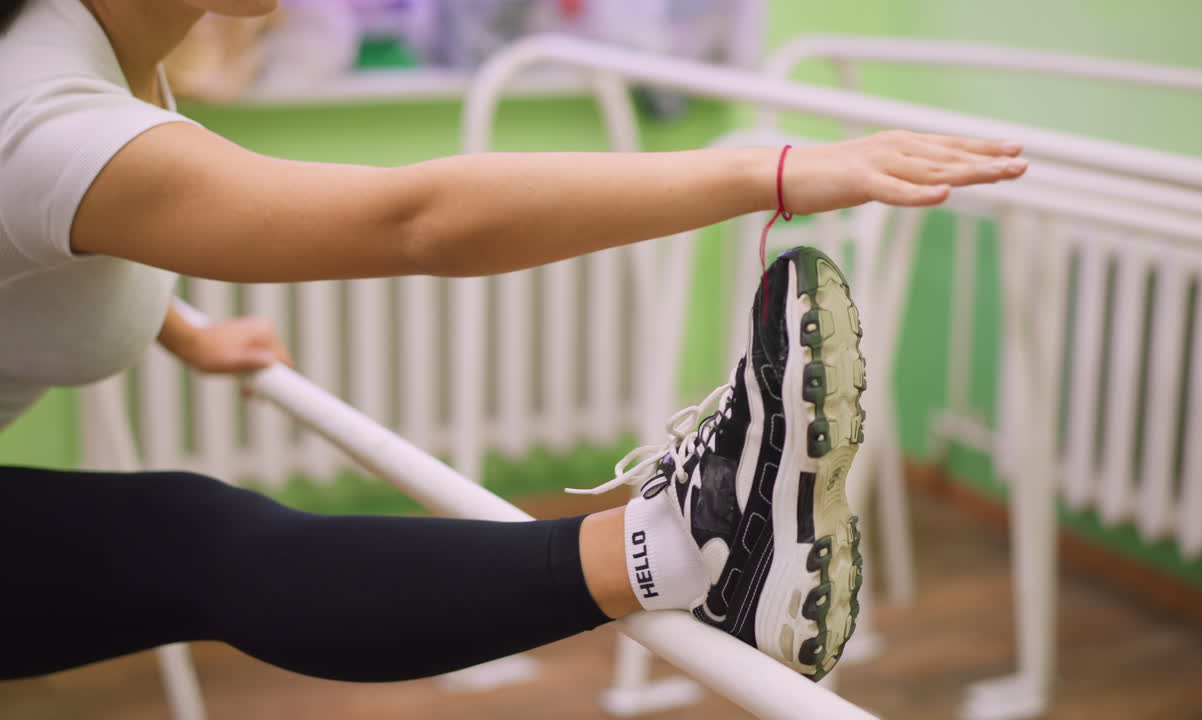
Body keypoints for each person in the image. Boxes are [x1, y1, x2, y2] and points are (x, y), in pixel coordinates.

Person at [0, 0, 1029, 687]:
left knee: (176, 532)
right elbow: (416, 220)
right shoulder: (35, 104)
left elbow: (68, 231)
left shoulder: (96, 55)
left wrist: (183, 330)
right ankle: (686, 548)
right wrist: (770, 170)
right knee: (184, 537)